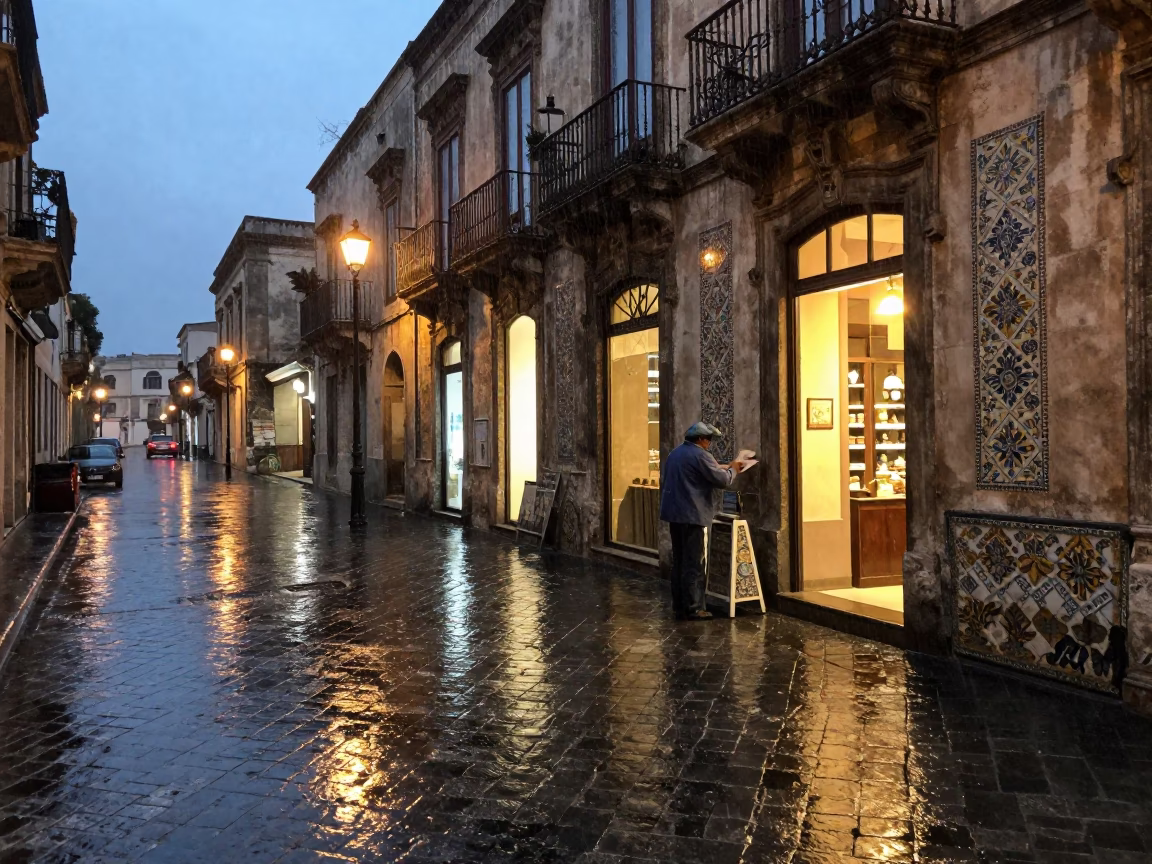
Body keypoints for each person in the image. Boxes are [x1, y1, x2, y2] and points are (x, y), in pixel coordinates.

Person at [659, 422, 744, 620]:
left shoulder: (676, 453)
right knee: (694, 563)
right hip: (692, 515)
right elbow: (721, 480)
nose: (709, 444)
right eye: (708, 440)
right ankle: (695, 608)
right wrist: (733, 470)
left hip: (675, 515)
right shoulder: (700, 455)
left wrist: (721, 466)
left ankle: (679, 604)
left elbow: (696, 472)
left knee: (679, 561)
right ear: (700, 439)